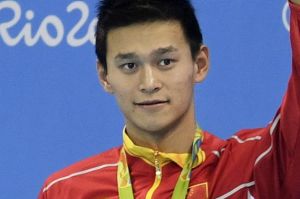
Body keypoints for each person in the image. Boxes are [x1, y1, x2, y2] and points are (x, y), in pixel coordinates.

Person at [38, 0, 300, 198]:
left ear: (199, 64)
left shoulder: (254, 169)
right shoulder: (66, 190)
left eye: (165, 61)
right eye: (129, 66)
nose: (149, 83)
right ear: (105, 76)